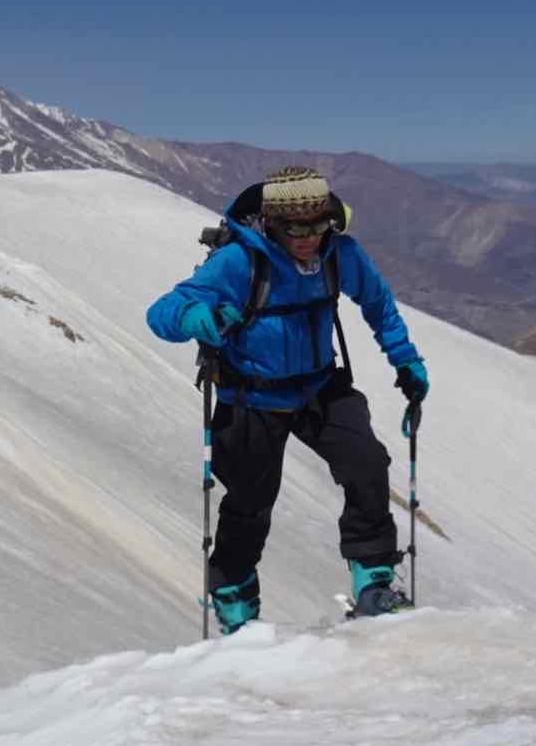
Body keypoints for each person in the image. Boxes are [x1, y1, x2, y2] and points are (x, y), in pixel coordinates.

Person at [146, 166, 430, 633]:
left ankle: (374, 580)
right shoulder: (239, 261)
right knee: (251, 500)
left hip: (319, 385)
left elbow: (377, 303)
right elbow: (161, 314)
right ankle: (235, 594)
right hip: (251, 395)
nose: (308, 240)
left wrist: (406, 361)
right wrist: (195, 315)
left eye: (318, 228)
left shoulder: (341, 254)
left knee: (367, 465)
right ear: (272, 224)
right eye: (295, 230)